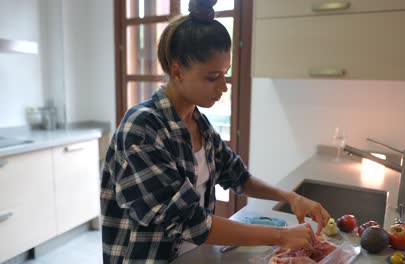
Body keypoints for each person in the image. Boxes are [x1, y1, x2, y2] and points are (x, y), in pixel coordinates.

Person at [100, 0, 330, 263]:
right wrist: (281, 235)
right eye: (212, 77)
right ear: (177, 70)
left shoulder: (199, 123)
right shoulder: (141, 129)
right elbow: (190, 222)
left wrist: (290, 197)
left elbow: (237, 176)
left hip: (195, 255)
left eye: (225, 74)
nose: (223, 87)